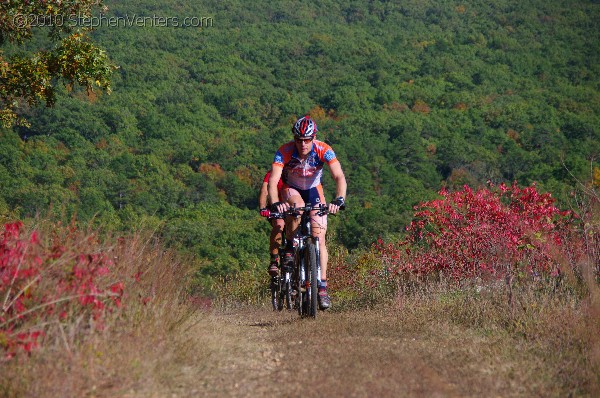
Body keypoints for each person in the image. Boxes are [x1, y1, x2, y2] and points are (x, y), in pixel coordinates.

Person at [269, 115, 347, 310]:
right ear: (294, 138)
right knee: (295, 206)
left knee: (319, 237)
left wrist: (339, 199)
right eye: (298, 140)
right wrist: (276, 203)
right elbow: (273, 180)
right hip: (292, 188)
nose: (302, 144)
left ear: (314, 138)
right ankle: (290, 247)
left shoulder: (324, 150)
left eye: (307, 140)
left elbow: (339, 176)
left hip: (314, 189)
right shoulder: (284, 151)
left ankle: (322, 287)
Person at [258, 170, 285, 277]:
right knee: (279, 224)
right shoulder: (273, 173)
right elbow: (265, 190)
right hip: (276, 208)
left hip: (294, 208)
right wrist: (263, 207)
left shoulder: (298, 172)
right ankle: (274, 259)